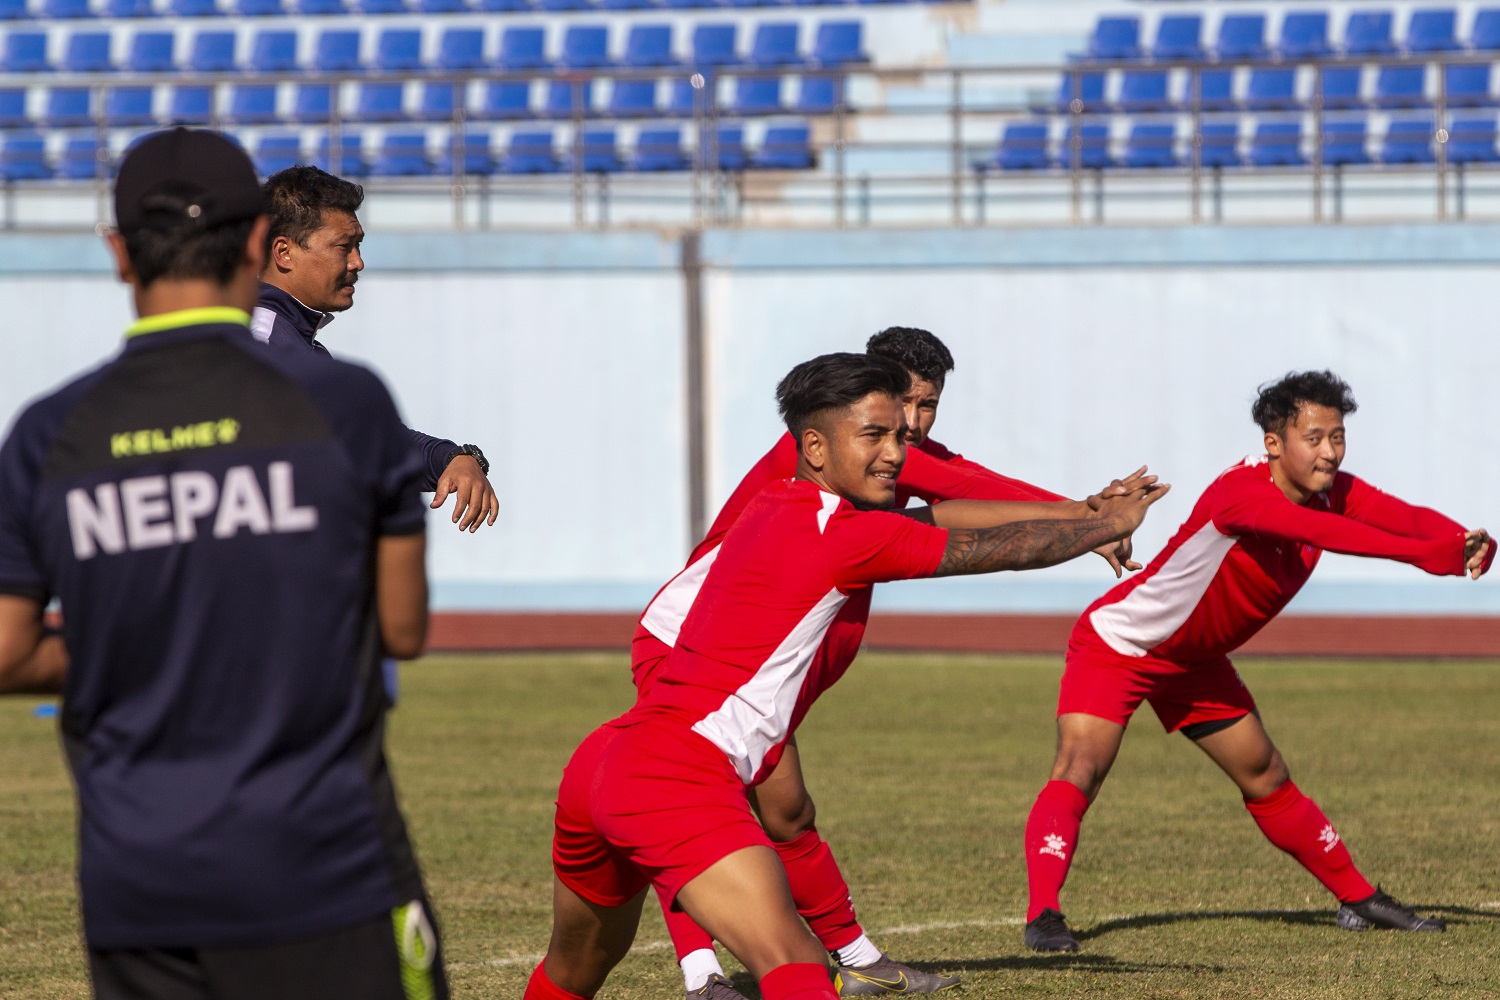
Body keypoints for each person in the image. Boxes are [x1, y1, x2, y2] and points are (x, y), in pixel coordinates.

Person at [525, 352, 1168, 1000]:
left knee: (573, 972)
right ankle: (707, 974)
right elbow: (991, 551)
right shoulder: (849, 537)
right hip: (673, 771)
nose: (896, 453)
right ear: (815, 446)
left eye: (900, 434)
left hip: (601, 761)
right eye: (876, 436)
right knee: (798, 968)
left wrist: (1077, 517)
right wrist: (1105, 525)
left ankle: (758, 965)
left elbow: (939, 515)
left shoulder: (775, 501)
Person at [0, 128, 448, 999]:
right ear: (256, 243)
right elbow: (402, 626)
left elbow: (9, 653)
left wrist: (144, 641)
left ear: (119, 253)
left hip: (141, 886)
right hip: (328, 864)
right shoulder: (346, 404)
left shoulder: (48, 435)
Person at [1019, 369, 1494, 953]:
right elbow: (1326, 532)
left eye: (1338, 437)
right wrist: (1431, 557)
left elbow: (1399, 515)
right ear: (1275, 444)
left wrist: (1461, 539)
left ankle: (1358, 898)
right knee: (1079, 771)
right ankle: (1043, 917)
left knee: (1266, 774)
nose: (1330, 452)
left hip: (1196, 661)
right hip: (1122, 645)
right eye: (1315, 438)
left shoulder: (1330, 490)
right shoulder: (1244, 494)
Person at [253, 164, 497, 533]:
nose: (357, 262)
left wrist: (453, 457)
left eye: (358, 245)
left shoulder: (292, 342)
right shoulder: (263, 346)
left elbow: (370, 437)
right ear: (284, 253)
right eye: (343, 247)